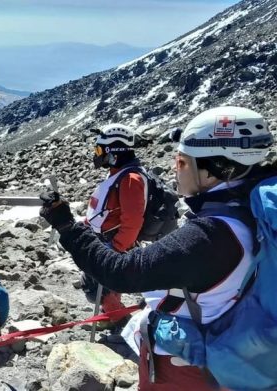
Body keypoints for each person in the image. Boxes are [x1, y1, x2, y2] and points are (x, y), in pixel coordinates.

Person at [39, 106, 274, 390]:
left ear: (214, 171)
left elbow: (121, 272)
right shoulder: (253, 210)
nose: (176, 169)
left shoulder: (212, 235)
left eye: (183, 162)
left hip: (187, 367)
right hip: (232, 346)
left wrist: (66, 225)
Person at [82, 123, 148, 318]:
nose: (97, 154)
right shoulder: (120, 174)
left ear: (114, 151)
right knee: (98, 284)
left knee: (99, 285)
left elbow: (132, 221)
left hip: (114, 243)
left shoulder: (130, 179)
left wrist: (115, 248)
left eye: (100, 149)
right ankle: (113, 314)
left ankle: (117, 320)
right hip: (107, 240)